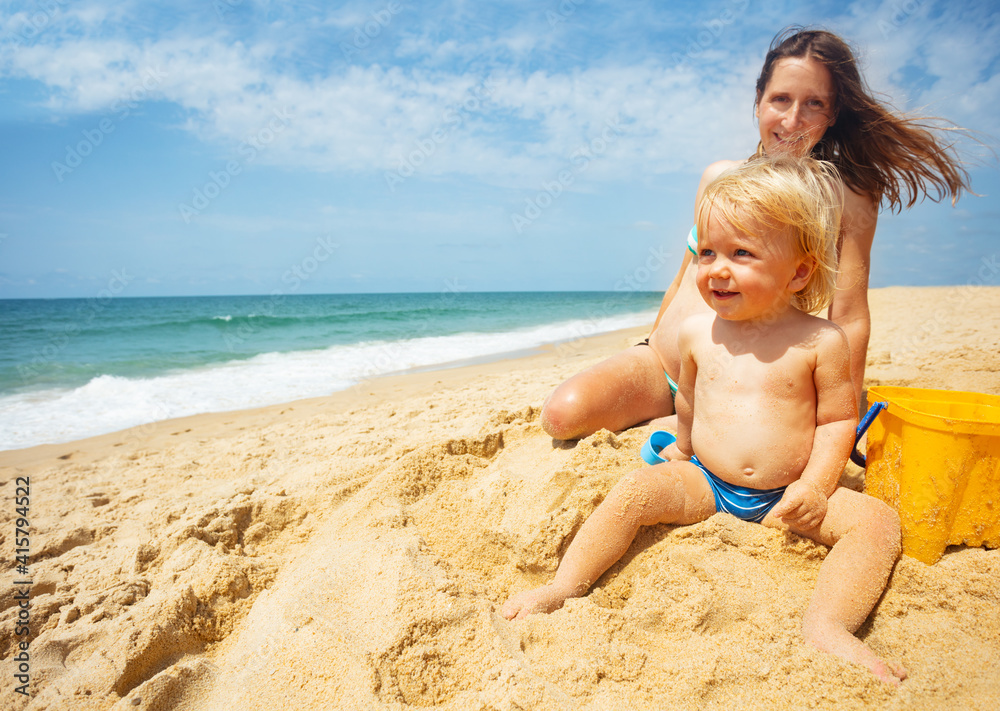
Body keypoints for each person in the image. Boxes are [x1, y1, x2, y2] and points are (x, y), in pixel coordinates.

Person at [502, 155, 907, 685]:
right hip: (709, 484)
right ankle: (564, 585)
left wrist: (816, 484)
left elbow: (836, 422)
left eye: (742, 253)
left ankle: (828, 623)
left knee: (877, 524)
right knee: (632, 494)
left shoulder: (818, 342)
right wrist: (684, 448)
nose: (718, 268)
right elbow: (688, 399)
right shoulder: (698, 334)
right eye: (708, 251)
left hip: (785, 496)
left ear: (800, 271)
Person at [540, 27, 972, 441]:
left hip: (749, 383)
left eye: (814, 104)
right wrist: (651, 343)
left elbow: (850, 315)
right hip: (667, 368)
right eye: (780, 99)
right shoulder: (720, 178)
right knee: (563, 414)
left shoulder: (847, 199)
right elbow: (684, 277)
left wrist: (841, 423)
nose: (793, 119)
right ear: (759, 101)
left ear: (834, 113)